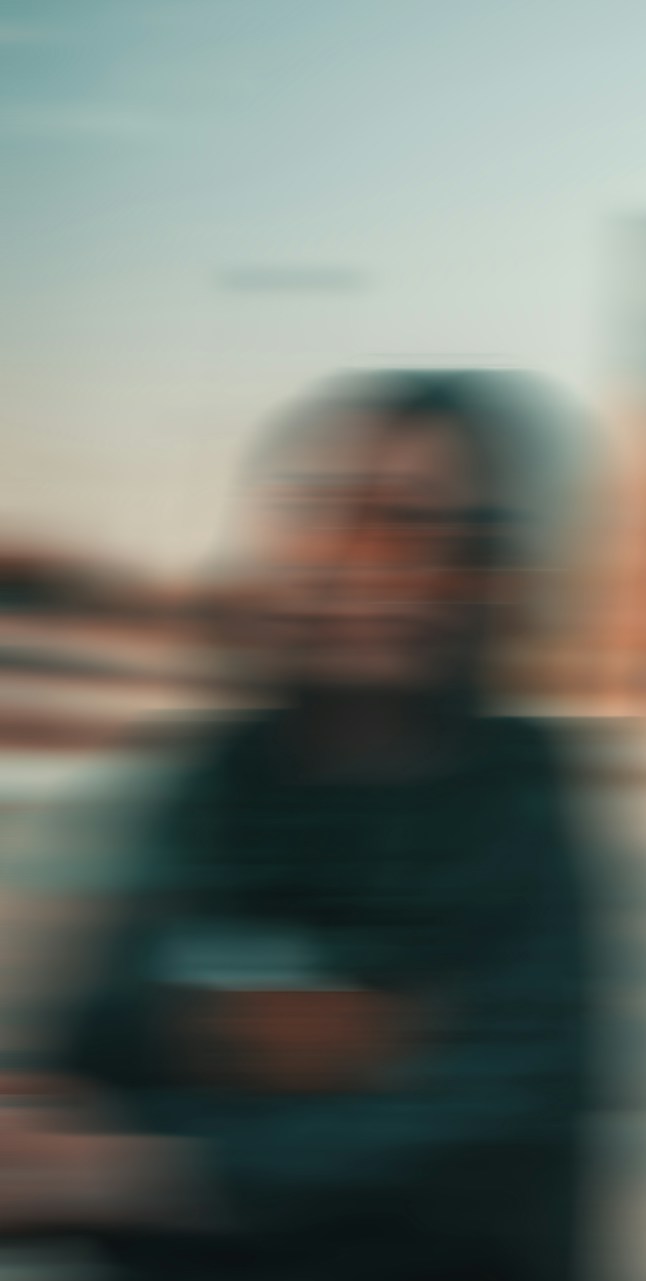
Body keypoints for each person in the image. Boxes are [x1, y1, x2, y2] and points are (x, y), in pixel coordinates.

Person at [0, 371, 599, 1280]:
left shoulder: (518, 799)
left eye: (407, 527)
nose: (355, 562)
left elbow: (489, 1122)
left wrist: (157, 1163)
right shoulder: (217, 781)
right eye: (328, 513)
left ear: (479, 574)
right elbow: (102, 1044)